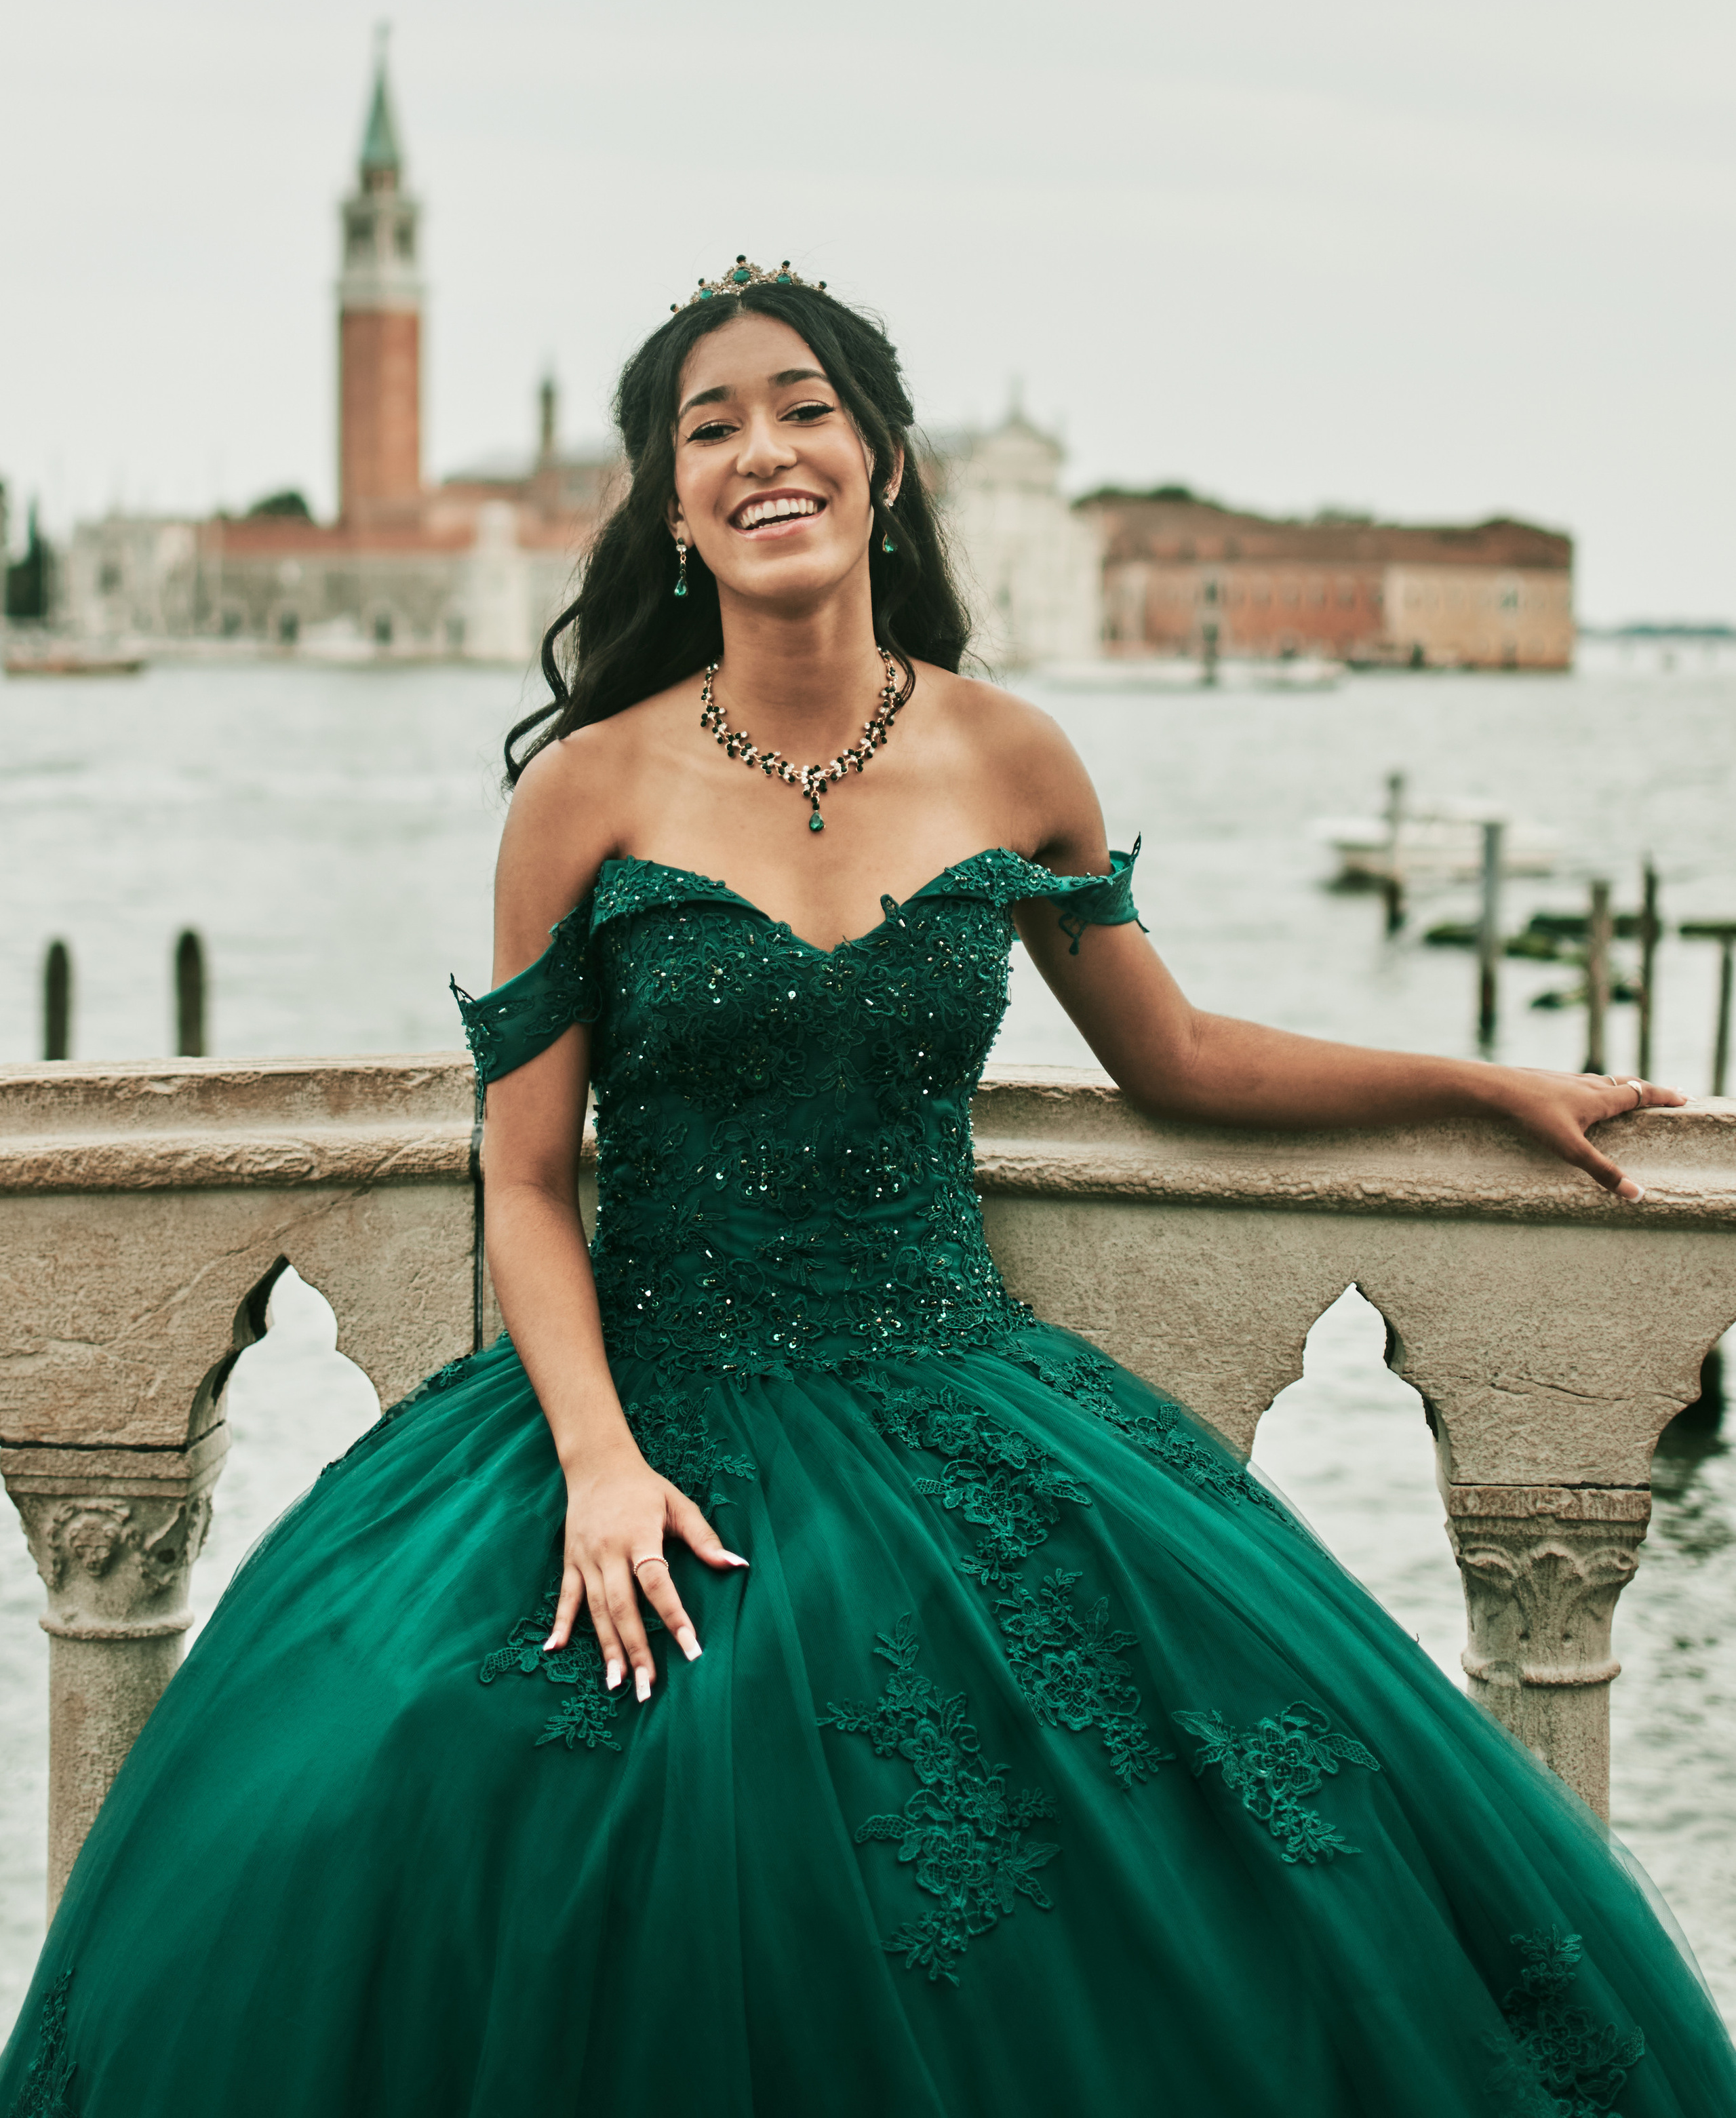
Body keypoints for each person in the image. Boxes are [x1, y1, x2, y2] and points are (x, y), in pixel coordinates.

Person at [3, 261, 1733, 2118]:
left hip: (956, 1402)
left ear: (885, 464)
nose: (766, 451)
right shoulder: (582, 796)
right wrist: (597, 1462)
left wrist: (1482, 1082)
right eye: (712, 426)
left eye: (805, 409)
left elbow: (1182, 1061)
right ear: (670, 505)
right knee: (386, 1801)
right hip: (640, 1403)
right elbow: (519, 1182)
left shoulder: (1010, 754)